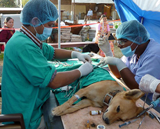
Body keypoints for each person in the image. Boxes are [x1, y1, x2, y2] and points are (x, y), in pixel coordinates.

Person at [1, 0, 93, 129]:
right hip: (26, 115)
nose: (51, 29)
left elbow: (52, 52)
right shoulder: (23, 46)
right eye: (50, 25)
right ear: (35, 21)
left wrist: (75, 55)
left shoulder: (27, 38)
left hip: (27, 103)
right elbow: (53, 81)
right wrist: (81, 71)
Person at [98, 20, 160, 100]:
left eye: (123, 41)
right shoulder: (135, 50)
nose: (119, 46)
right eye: (118, 41)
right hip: (139, 97)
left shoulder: (154, 54)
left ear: (139, 39)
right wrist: (108, 53)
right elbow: (119, 73)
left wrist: (118, 62)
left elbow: (137, 86)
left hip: (153, 104)